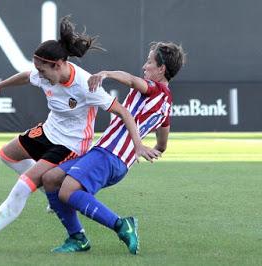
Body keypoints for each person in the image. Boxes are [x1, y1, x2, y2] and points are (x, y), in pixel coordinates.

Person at [0, 16, 160, 254]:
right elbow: (27, 76)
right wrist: (0, 86)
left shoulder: (86, 85)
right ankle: (50, 193)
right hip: (48, 131)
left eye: (42, 70)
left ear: (58, 65)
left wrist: (138, 144)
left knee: (22, 187)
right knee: (7, 155)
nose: (39, 74)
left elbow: (124, 112)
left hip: (71, 144)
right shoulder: (43, 72)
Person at [42, 41, 186, 254]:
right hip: (114, 159)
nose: (145, 67)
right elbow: (162, 144)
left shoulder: (154, 89)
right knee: (51, 178)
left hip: (109, 154)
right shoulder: (166, 105)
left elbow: (132, 80)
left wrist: (106, 73)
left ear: (161, 69)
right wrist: (147, 149)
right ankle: (77, 238)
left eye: (149, 62)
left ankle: (120, 225)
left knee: (67, 191)